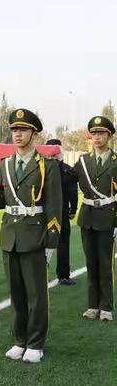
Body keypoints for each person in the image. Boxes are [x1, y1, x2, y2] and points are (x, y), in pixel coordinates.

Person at [0, 108, 62, 363]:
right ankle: (19, 339)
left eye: (23, 130)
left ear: (33, 133)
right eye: (14, 130)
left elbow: (54, 205)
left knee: (36, 294)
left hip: (35, 235)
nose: (17, 134)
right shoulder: (5, 164)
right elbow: (4, 199)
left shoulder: (47, 166)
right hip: (10, 235)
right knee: (16, 293)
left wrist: (51, 242)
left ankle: (35, 343)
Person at [73, 115, 117, 322]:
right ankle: (93, 305)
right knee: (91, 263)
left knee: (105, 263)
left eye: (101, 133)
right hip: (87, 216)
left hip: (108, 217)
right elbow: (67, 177)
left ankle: (106, 306)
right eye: (94, 133)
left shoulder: (115, 161)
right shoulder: (83, 161)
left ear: (109, 136)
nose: (97, 137)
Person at [45, 139, 78, 285]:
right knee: (63, 243)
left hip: (43, 212)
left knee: (41, 244)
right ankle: (63, 276)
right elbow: (73, 193)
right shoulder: (68, 170)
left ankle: (37, 275)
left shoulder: (40, 168)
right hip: (62, 212)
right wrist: (73, 209)